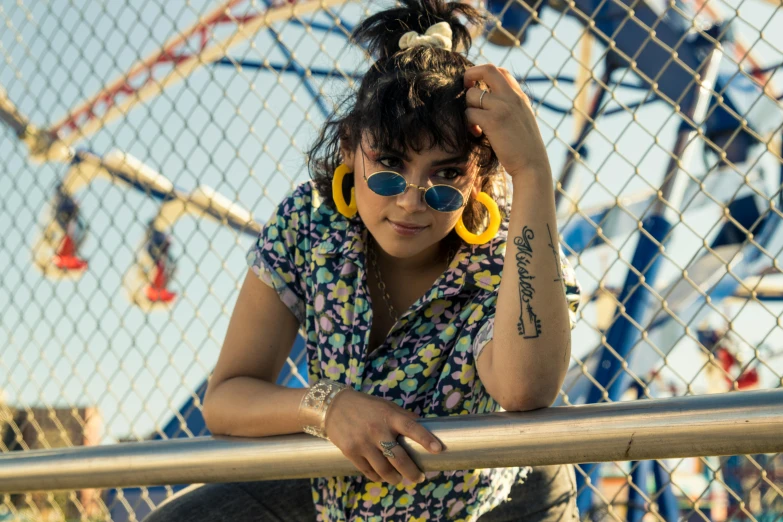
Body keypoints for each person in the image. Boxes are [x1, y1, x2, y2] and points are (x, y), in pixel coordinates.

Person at [143, 0, 582, 520]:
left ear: (479, 181)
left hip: (487, 504)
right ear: (351, 147)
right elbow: (226, 401)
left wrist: (532, 171)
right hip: (344, 493)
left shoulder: (504, 255)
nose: (411, 201)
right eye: (391, 166)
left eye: (445, 178)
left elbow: (524, 388)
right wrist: (328, 406)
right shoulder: (310, 225)